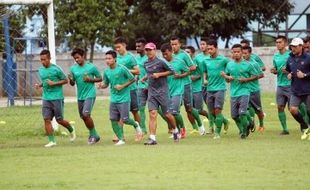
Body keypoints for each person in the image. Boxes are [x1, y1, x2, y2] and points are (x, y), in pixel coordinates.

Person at [98, 50, 143, 145]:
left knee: (125, 119)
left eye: (109, 58)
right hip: (113, 99)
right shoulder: (106, 71)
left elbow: (133, 79)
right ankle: (121, 139)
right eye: (106, 58)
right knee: (113, 120)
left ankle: (136, 124)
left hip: (124, 98)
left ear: (115, 59)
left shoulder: (122, 68)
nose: (107, 60)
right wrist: (101, 85)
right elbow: (106, 83)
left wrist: (122, 86)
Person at [36, 50, 76, 147]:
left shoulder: (56, 69)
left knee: (59, 120)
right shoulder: (40, 70)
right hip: (46, 98)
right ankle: (52, 141)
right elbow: (45, 81)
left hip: (57, 98)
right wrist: (40, 85)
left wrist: (54, 83)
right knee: (46, 119)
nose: (42, 61)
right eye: (41, 60)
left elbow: (65, 80)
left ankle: (71, 129)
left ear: (49, 58)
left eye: (44, 59)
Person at [142, 42, 179, 145]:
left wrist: (159, 74)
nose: (148, 52)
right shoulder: (145, 63)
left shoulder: (161, 62)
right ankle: (152, 138)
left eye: (150, 50)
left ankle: (175, 130)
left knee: (167, 114)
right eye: (147, 50)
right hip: (152, 93)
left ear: (155, 50)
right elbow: (149, 74)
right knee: (152, 114)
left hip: (163, 92)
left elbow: (172, 71)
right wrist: (145, 78)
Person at [221, 44, 258, 139]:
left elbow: (256, 76)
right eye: (234, 52)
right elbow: (227, 78)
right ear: (232, 53)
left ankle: (244, 133)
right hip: (234, 93)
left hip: (245, 92)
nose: (236, 54)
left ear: (241, 52)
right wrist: (226, 77)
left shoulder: (248, 64)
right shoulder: (229, 64)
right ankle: (248, 123)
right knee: (234, 116)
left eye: (238, 52)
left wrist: (245, 80)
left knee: (242, 113)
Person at [170, 36, 203, 136]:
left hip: (186, 84)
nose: (174, 46)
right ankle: (180, 130)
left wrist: (182, 74)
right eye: (172, 44)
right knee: (175, 109)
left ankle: (200, 125)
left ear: (180, 44)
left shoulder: (184, 55)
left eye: (175, 44)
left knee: (188, 108)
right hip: (175, 86)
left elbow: (193, 68)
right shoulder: (170, 55)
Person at [68, 48, 102, 145]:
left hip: (90, 95)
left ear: (83, 56)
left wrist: (90, 80)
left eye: (78, 58)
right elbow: (72, 83)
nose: (77, 60)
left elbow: (100, 78)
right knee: (83, 116)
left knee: (86, 114)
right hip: (80, 96)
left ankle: (92, 135)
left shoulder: (91, 67)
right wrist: (70, 79)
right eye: (75, 59)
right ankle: (95, 135)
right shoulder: (73, 69)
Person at [162, 43, 190, 138]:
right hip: (166, 91)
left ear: (171, 51)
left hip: (178, 90)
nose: (165, 56)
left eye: (166, 54)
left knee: (174, 111)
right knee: (167, 113)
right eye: (163, 54)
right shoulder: (162, 63)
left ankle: (182, 129)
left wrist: (180, 75)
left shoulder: (179, 61)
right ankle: (176, 130)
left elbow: (188, 71)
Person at [203, 39, 230, 139]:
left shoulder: (224, 60)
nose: (209, 51)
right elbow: (205, 72)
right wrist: (205, 79)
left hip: (220, 88)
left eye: (211, 49)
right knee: (212, 112)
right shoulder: (206, 60)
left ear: (216, 48)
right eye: (208, 49)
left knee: (218, 110)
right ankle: (225, 121)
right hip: (210, 89)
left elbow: (231, 68)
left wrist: (227, 76)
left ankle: (217, 133)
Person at [285, 38, 310, 140]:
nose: (293, 48)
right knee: (293, 110)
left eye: (295, 46)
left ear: (301, 46)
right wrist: (289, 74)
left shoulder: (308, 57)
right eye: (292, 46)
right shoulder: (289, 58)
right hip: (295, 90)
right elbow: (288, 70)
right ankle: (304, 125)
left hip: (308, 90)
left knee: (309, 110)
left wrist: (304, 75)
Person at [114, 37, 141, 128]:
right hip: (121, 90)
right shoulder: (115, 58)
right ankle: (119, 135)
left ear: (124, 45)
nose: (117, 49)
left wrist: (125, 70)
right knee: (120, 113)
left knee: (134, 111)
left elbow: (137, 71)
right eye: (116, 48)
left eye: (119, 47)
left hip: (131, 88)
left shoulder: (130, 57)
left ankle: (139, 130)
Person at [270, 35, 291, 135]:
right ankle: (285, 129)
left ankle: (304, 125)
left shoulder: (291, 55)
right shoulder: (276, 56)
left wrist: (288, 71)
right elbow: (275, 69)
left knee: (293, 108)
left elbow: (295, 69)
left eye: (280, 42)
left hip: (291, 85)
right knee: (280, 107)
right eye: (277, 42)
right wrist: (273, 70)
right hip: (280, 85)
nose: (278, 44)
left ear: (285, 43)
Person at [242, 46, 265, 132]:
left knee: (258, 109)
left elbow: (261, 75)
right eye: (243, 53)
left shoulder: (254, 63)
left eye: (246, 53)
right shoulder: (241, 63)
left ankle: (262, 124)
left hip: (254, 90)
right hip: (244, 90)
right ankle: (251, 122)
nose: (244, 55)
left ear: (250, 54)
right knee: (245, 108)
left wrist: (249, 78)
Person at [135, 38, 148, 134]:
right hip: (140, 87)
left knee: (160, 110)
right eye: (136, 46)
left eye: (139, 46)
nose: (137, 48)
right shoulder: (136, 59)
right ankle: (143, 129)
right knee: (141, 108)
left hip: (151, 87)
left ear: (144, 47)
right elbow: (137, 72)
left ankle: (171, 126)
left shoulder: (149, 57)